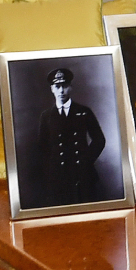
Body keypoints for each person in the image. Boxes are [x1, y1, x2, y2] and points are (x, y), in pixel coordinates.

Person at [36, 67, 108, 205]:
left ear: (71, 87)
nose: (61, 91)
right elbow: (42, 146)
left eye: (65, 86)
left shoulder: (83, 111)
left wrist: (86, 160)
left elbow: (99, 139)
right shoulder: (46, 116)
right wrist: (53, 166)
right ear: (52, 89)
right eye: (57, 87)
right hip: (58, 177)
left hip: (83, 174)